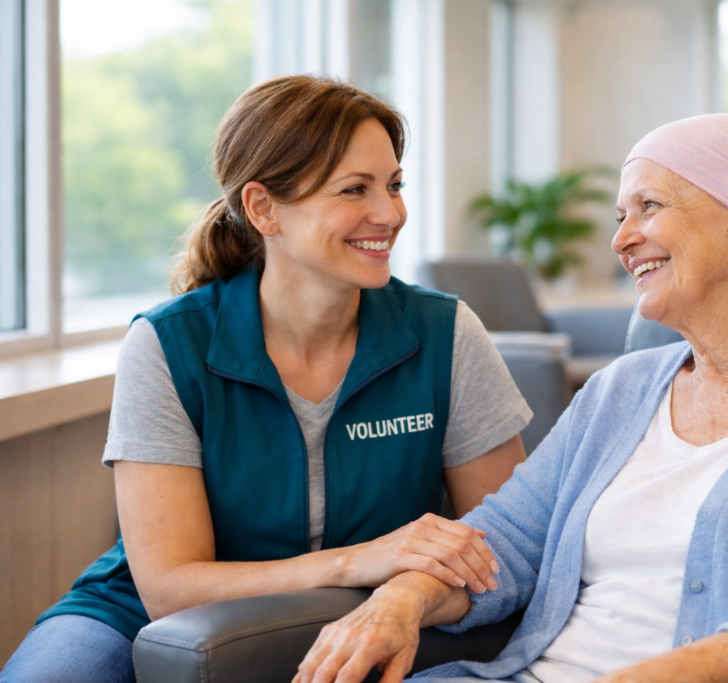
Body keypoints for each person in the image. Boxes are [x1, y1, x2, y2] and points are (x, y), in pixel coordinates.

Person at [291, 114, 728, 683]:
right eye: (619, 216)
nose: (621, 238)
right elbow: (505, 540)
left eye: (649, 207)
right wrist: (401, 599)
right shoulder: (620, 387)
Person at [0, 76, 531, 683]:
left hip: (367, 610)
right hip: (140, 618)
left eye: (394, 185)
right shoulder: (168, 345)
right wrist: (361, 560)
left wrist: (395, 590)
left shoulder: (445, 334)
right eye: (354, 189)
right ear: (262, 208)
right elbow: (170, 589)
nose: (390, 214)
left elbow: (504, 546)